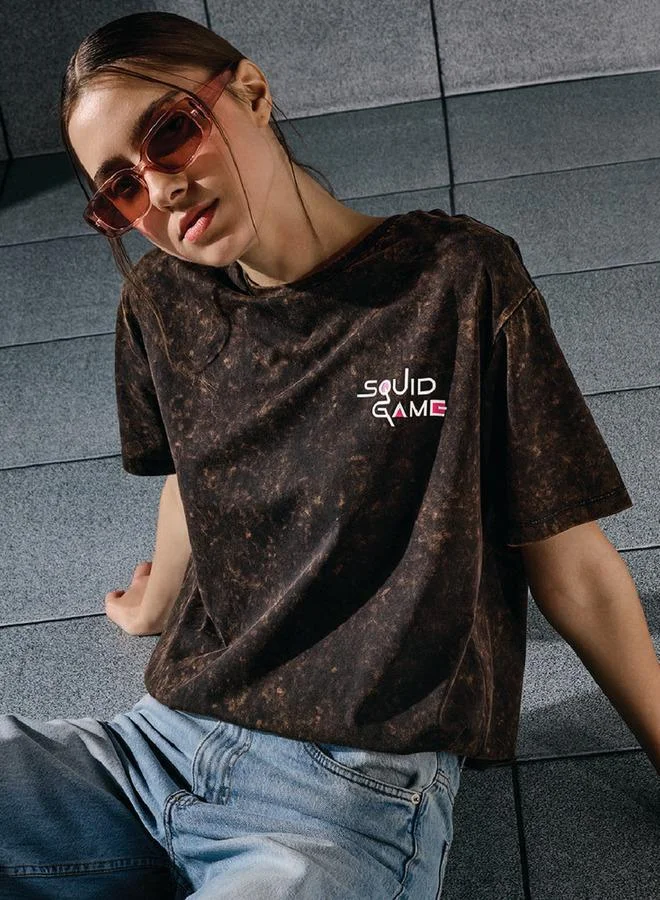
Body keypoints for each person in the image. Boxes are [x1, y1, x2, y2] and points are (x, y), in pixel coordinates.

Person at [2, 9, 658, 900]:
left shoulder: (456, 279)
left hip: (346, 794)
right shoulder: (159, 302)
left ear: (252, 92)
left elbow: (571, 564)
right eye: (121, 188)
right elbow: (195, 473)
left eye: (169, 134)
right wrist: (153, 604)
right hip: (153, 745)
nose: (160, 191)